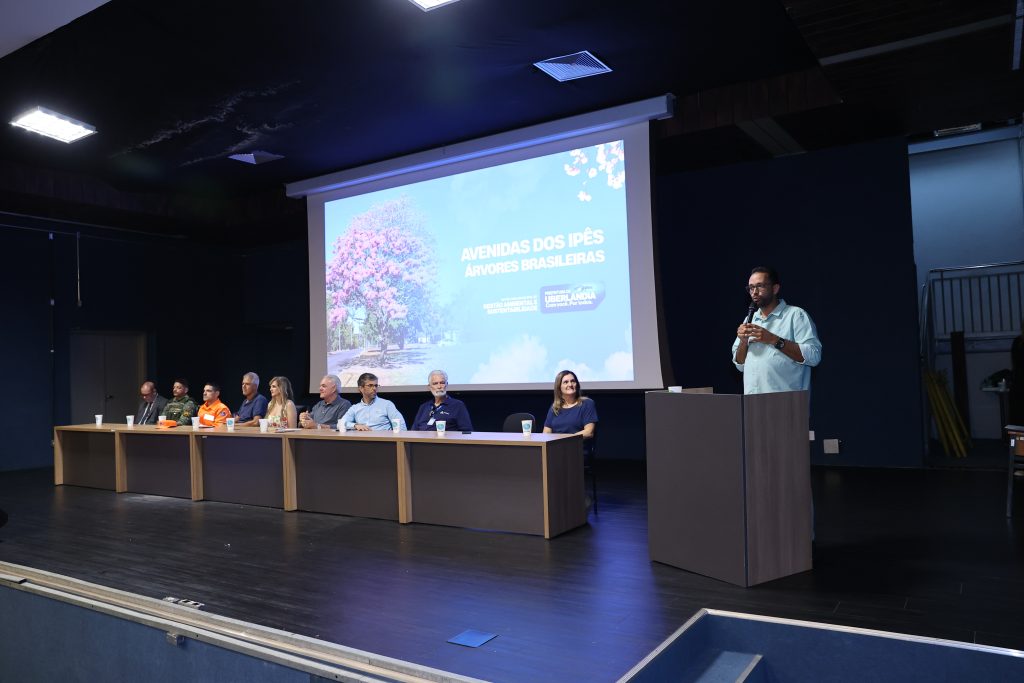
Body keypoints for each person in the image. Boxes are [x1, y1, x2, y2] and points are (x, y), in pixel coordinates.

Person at [732, 267, 822, 394]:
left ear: (775, 288)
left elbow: (814, 356)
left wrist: (773, 339)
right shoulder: (750, 319)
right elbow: (740, 365)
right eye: (751, 288)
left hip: (786, 401)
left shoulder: (796, 315)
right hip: (752, 401)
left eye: (760, 286)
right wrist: (743, 342)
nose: (754, 292)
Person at [543, 370, 598, 447]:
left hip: (577, 450)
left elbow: (589, 432)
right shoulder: (555, 407)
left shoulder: (587, 404)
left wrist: (564, 441)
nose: (570, 384)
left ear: (577, 384)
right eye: (566, 382)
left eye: (573, 381)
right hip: (556, 449)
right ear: (559, 387)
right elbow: (546, 433)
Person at [341, 372, 406, 431]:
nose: (374, 388)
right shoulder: (355, 408)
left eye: (376, 385)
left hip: (383, 439)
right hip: (363, 439)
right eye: (370, 385)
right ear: (361, 388)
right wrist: (355, 425)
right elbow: (341, 424)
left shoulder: (387, 404)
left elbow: (401, 425)